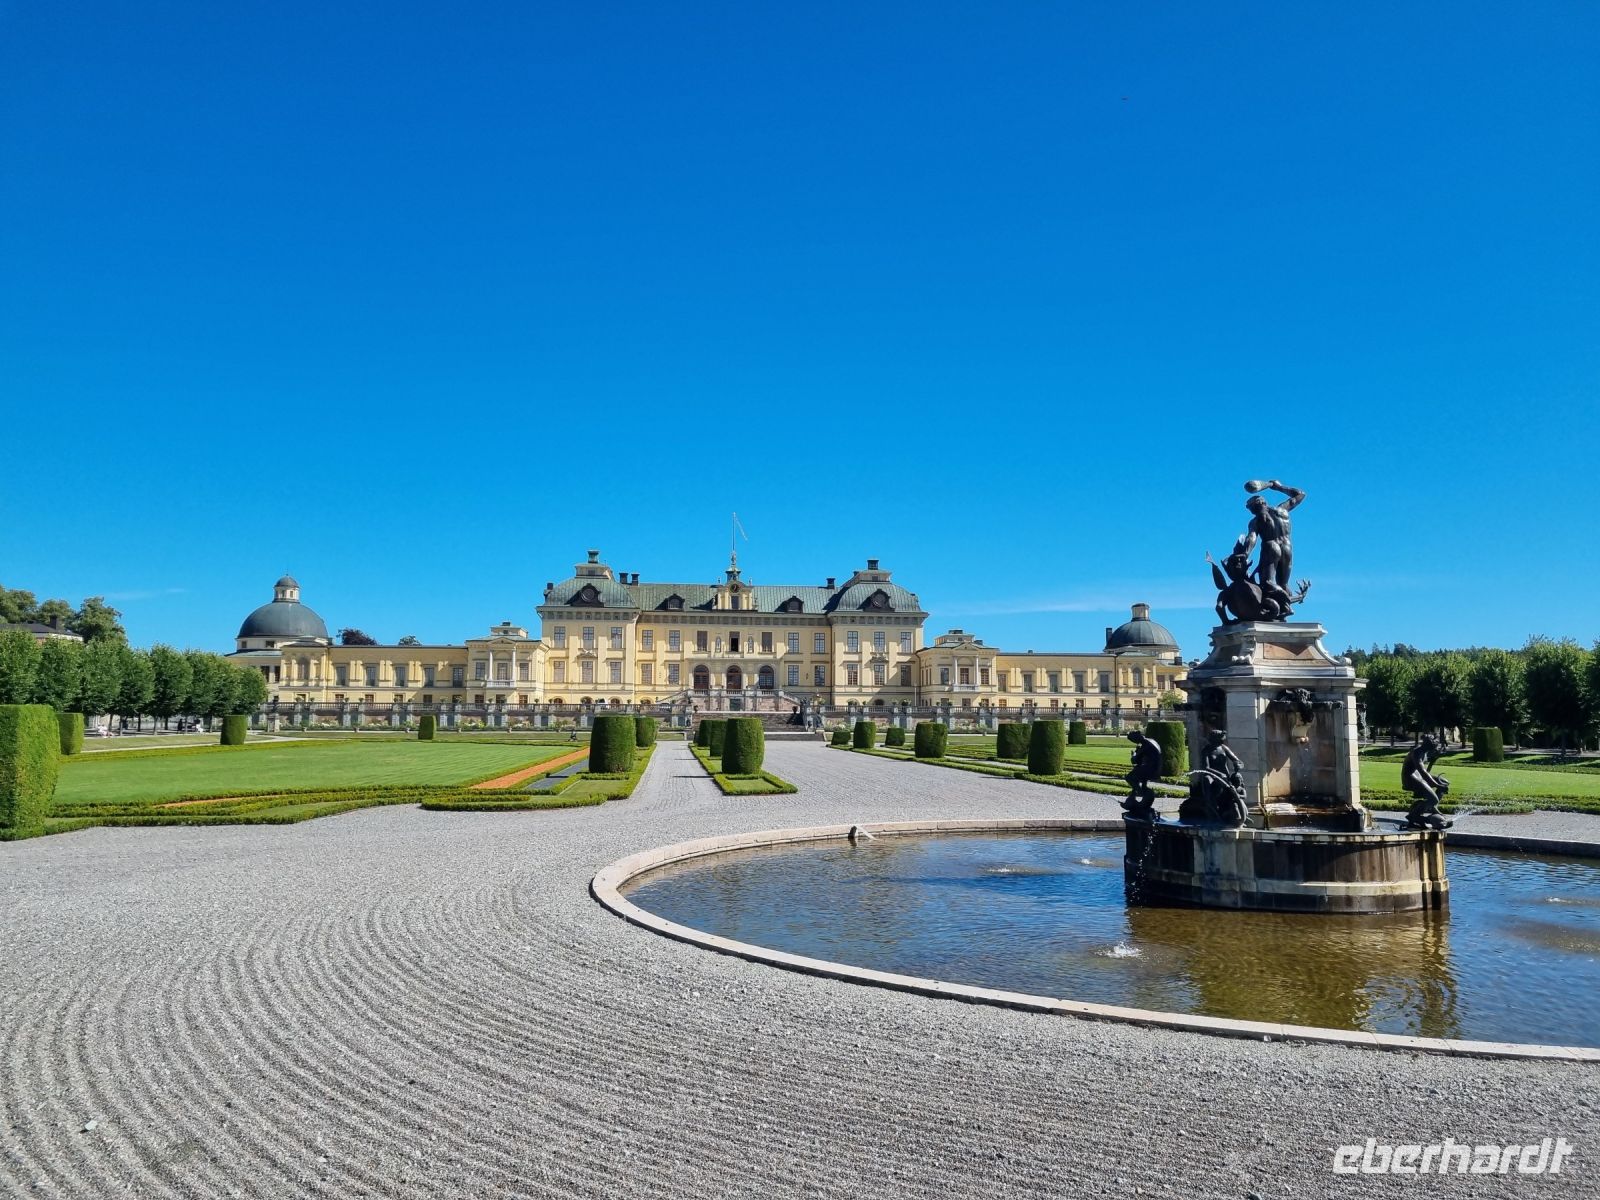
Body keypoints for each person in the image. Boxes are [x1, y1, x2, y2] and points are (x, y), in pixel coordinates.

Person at [1242, 479, 1306, 610]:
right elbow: (1300, 494)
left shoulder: (1256, 521)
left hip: (1271, 546)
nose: (1251, 512)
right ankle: (1285, 607)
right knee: (1283, 584)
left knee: (1267, 583)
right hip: (1287, 548)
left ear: (1255, 506)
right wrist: (1279, 487)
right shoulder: (1282, 510)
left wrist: (1245, 554)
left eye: (1250, 509)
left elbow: (1251, 538)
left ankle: (1281, 602)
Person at [1402, 734, 1452, 829]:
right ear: (1430, 745)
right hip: (1410, 778)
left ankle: (1432, 807)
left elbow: (1425, 772)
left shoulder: (1424, 751)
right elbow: (1423, 772)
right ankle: (1414, 816)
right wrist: (1437, 785)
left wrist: (1433, 759)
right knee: (1433, 799)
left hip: (1418, 776)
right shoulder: (1417, 752)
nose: (1435, 748)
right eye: (1435, 746)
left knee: (1444, 782)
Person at [1121, 730, 1164, 820]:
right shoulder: (1150, 741)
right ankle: (1139, 795)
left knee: (1129, 778)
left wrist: (1135, 754)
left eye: (1133, 740)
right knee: (1138, 773)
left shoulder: (1145, 745)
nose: (1134, 742)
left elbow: (1134, 761)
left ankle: (1140, 793)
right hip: (1155, 768)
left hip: (1151, 769)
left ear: (1137, 737)